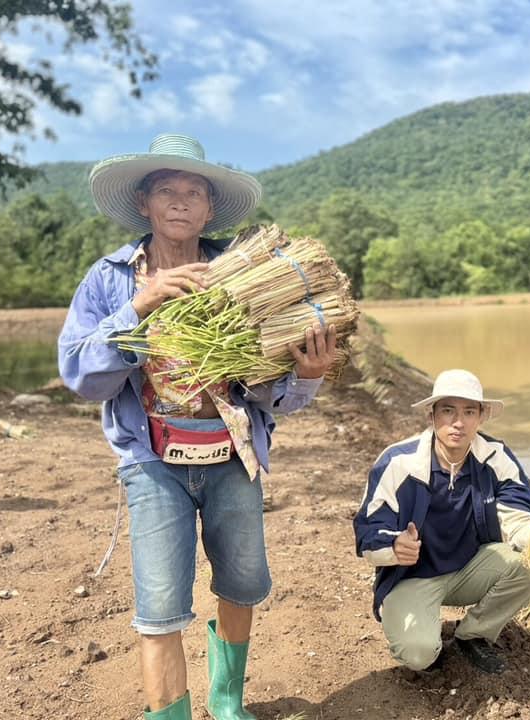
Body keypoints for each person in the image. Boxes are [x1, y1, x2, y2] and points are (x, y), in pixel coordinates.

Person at [58, 134, 337, 720]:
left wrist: (306, 376)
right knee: (160, 604)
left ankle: (228, 700)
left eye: (193, 193)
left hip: (232, 455)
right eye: (167, 190)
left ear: (210, 210)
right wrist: (141, 305)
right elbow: (80, 375)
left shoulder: (245, 276)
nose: (180, 202)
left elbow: (273, 395)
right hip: (152, 461)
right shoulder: (110, 279)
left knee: (242, 582)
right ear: (144, 202)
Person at [353, 369, 530, 675]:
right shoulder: (397, 462)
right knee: (419, 655)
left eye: (469, 412)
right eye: (448, 410)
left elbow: (516, 514)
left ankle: (473, 634)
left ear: (481, 417)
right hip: (413, 576)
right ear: (432, 414)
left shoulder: (495, 457)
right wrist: (393, 546)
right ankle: (422, 633)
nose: (459, 422)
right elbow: (367, 532)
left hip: (471, 568)